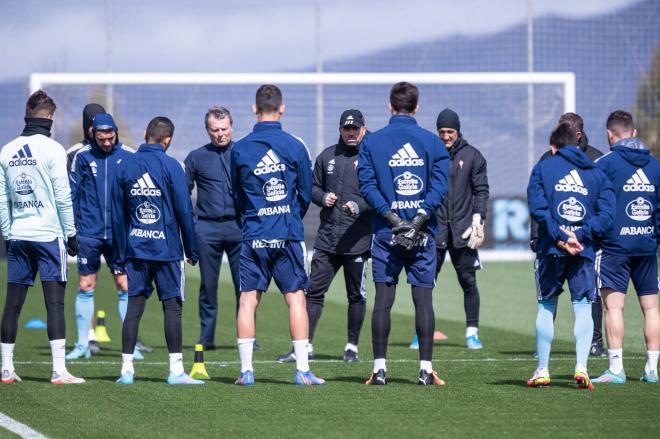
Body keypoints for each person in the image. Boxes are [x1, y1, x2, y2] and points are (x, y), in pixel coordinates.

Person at [231, 84, 324, 385]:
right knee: (296, 299)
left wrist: (255, 216)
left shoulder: (240, 148)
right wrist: (286, 214)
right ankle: (302, 371)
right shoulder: (295, 145)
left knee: (247, 300)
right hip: (288, 233)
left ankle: (246, 372)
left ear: (254, 108)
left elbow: (236, 195)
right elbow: (306, 193)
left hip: (254, 233)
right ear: (281, 108)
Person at [358, 81, 449, 385]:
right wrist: (419, 219)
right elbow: (440, 186)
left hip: (386, 232)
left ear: (390, 106)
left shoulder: (372, 142)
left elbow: (367, 186)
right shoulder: (433, 143)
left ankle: (380, 369)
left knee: (383, 299)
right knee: (423, 300)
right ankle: (425, 370)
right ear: (417, 107)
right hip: (423, 234)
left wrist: (392, 218)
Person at [0, 90, 84, 384]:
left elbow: (2, 198)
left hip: (19, 237)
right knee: (55, 304)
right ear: (50, 117)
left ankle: (6, 369)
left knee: (12, 304)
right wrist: (72, 234)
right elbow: (63, 197)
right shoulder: (53, 150)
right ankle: (58, 371)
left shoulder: (7, 150)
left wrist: (8, 232)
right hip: (48, 237)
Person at [277, 109, 373, 364]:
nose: (351, 133)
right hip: (328, 240)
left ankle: (352, 346)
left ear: (363, 128)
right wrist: (322, 198)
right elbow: (312, 188)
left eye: (355, 128)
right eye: (346, 129)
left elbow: (379, 193)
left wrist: (360, 206)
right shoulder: (327, 156)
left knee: (356, 295)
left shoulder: (372, 156)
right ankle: (304, 346)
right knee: (314, 293)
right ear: (340, 130)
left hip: (358, 241)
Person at [111, 116, 202, 385]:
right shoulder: (173, 166)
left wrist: (119, 254)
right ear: (168, 140)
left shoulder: (124, 165)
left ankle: (126, 370)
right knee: (172, 308)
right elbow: (185, 211)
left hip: (136, 250)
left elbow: (117, 215)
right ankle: (175, 371)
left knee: (134, 308)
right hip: (167, 251)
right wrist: (192, 248)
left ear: (144, 134)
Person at [526, 122, 615, 389]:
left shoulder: (543, 168)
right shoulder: (597, 172)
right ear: (577, 144)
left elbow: (537, 208)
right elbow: (608, 213)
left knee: (546, 306)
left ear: (554, 146)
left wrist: (561, 236)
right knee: (583, 307)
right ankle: (582, 367)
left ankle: (542, 369)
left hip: (551, 249)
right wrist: (581, 235)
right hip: (583, 250)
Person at [66, 113, 144, 360]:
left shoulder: (130, 156)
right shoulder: (82, 157)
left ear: (115, 133)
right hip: (89, 233)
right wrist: (71, 230)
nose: (107, 142)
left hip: (120, 235)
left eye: (110, 137)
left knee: (125, 285)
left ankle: (129, 346)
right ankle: (81, 345)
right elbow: (73, 194)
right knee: (86, 285)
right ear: (93, 135)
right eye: (102, 139)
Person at [184, 107, 260, 352]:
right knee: (208, 285)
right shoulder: (196, 157)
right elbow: (183, 193)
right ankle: (207, 337)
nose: (220, 134)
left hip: (240, 228)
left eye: (224, 129)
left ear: (232, 127)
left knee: (245, 286)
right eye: (214, 130)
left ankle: (247, 337)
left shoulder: (243, 152)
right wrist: (193, 225)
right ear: (207, 130)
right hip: (207, 229)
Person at [592, 110, 660, 384]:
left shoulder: (604, 164)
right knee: (652, 309)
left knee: (614, 308)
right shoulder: (655, 165)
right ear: (633, 132)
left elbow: (593, 203)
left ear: (610, 135)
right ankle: (652, 369)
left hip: (614, 247)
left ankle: (617, 369)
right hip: (646, 246)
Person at [431, 108, 489, 350]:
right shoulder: (430, 153)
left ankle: (471, 333)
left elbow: (481, 191)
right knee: (425, 284)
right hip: (434, 231)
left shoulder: (473, 156)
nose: (446, 136)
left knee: (468, 281)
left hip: (463, 232)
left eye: (450, 132)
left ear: (458, 131)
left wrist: (478, 218)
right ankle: (421, 332)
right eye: (442, 132)